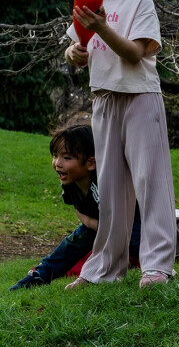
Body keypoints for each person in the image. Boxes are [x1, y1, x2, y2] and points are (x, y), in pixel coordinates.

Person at [64, 0, 178, 288]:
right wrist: (75, 53)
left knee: (151, 184)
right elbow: (78, 47)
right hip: (105, 101)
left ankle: (157, 266)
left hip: (140, 100)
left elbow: (133, 54)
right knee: (110, 190)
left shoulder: (139, 1)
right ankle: (105, 269)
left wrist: (100, 27)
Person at [8, 123, 141, 291]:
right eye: (55, 155)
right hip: (99, 225)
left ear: (91, 162)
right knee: (72, 243)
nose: (58, 163)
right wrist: (93, 225)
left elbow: (120, 215)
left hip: (132, 224)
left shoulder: (103, 184)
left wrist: (102, 229)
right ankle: (40, 275)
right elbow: (77, 208)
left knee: (137, 245)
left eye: (67, 158)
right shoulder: (70, 182)